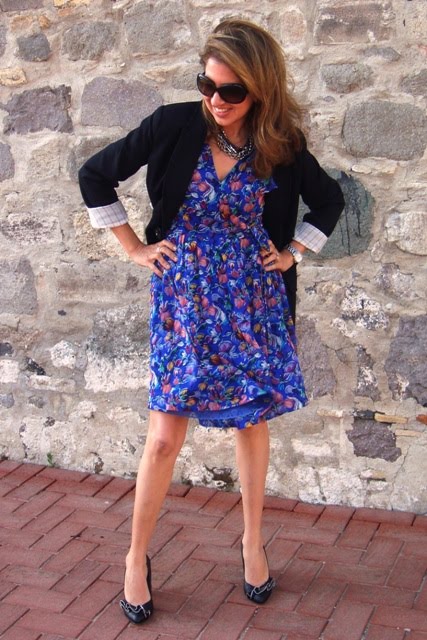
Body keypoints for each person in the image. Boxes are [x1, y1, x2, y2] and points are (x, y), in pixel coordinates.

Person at [79, 18, 345, 623]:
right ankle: (135, 558)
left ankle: (252, 542)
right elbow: (94, 175)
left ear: (261, 90)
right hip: (184, 300)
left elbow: (330, 201)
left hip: (253, 303)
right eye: (207, 85)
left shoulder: (282, 144)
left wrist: (292, 253)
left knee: (251, 424)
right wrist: (133, 247)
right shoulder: (174, 125)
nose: (216, 100)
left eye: (232, 91)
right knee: (163, 438)